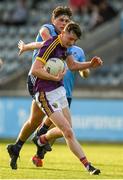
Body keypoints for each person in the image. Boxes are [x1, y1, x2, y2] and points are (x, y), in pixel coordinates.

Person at [29, 22, 103, 175]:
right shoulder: (50, 45)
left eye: (74, 41)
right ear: (63, 32)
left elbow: (73, 65)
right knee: (68, 131)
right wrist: (53, 77)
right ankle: (88, 166)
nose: (72, 43)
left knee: (69, 129)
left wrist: (91, 64)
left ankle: (41, 139)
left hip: (59, 90)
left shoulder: (66, 47)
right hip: (45, 93)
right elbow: (35, 70)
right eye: (70, 39)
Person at [7, 6, 74, 170]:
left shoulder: (66, 39)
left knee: (34, 120)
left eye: (67, 21)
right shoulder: (47, 29)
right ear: (53, 20)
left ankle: (16, 147)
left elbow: (72, 62)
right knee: (55, 117)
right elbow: (45, 43)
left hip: (50, 82)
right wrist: (27, 47)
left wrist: (87, 65)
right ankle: (40, 136)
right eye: (61, 20)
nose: (64, 23)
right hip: (37, 80)